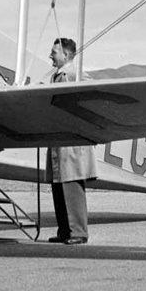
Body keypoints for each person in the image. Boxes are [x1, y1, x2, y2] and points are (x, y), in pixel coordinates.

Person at [46, 37, 94, 244]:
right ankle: (65, 231)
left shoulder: (75, 74)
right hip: (59, 141)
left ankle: (78, 232)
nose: (50, 55)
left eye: (54, 52)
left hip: (71, 143)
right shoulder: (57, 76)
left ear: (65, 55)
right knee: (59, 186)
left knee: (71, 185)